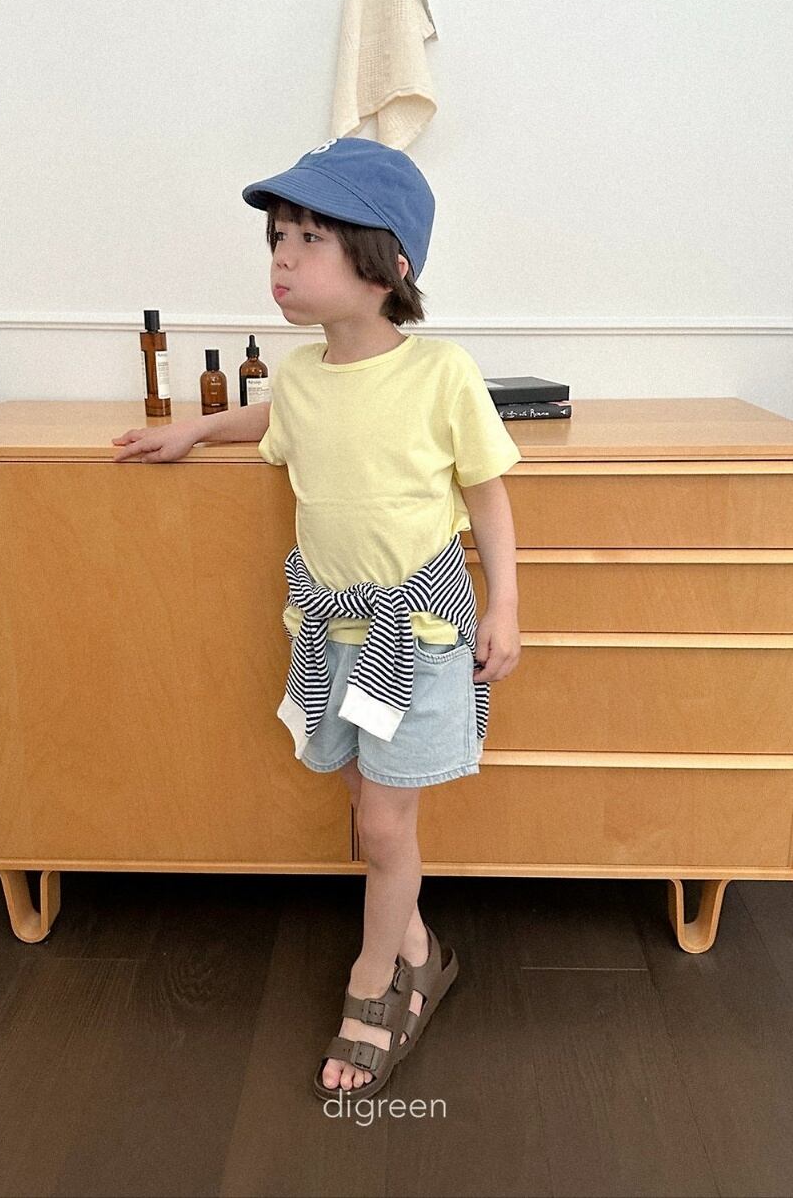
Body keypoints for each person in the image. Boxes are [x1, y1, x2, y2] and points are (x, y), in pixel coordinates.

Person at [111, 136, 521, 1103]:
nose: (283, 259)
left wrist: (507, 604)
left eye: (309, 239)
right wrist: (196, 427)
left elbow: (489, 493)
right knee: (366, 803)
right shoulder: (298, 377)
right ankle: (419, 946)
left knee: (383, 820)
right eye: (278, 238)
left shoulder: (442, 373)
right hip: (334, 636)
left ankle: (375, 983)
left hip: (414, 639)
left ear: (388, 265)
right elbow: (273, 421)